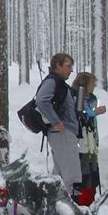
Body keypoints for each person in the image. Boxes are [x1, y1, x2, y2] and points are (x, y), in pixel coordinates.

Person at [35, 53, 82, 198]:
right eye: (68, 66)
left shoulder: (59, 83)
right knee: (70, 172)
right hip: (63, 132)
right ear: (57, 66)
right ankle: (71, 207)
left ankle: (57, 203)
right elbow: (42, 100)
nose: (71, 70)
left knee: (60, 172)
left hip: (64, 132)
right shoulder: (52, 81)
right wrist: (56, 122)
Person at [71, 72, 107, 205]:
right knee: (83, 172)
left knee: (92, 171)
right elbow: (79, 114)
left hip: (90, 139)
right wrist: (93, 113)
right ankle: (81, 202)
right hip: (81, 141)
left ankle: (90, 198)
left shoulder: (92, 98)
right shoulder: (75, 96)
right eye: (92, 84)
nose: (94, 86)